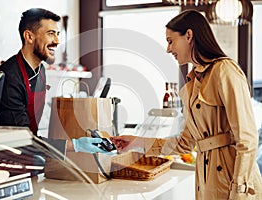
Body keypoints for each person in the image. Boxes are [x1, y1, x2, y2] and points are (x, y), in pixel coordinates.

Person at [111, 10, 262, 200]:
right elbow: (184, 143)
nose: (168, 49)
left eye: (170, 41)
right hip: (206, 178)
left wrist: (239, 189)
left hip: (232, 179)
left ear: (188, 35)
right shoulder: (193, 82)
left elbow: (247, 139)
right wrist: (136, 142)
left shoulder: (225, 70)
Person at [0, 8, 105, 154]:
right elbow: (21, 138)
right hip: (5, 160)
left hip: (29, 154)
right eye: (50, 33)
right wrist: (74, 146)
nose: (57, 41)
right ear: (29, 36)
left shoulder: (40, 70)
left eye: (57, 34)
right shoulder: (9, 77)